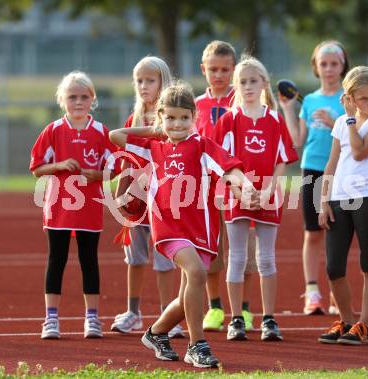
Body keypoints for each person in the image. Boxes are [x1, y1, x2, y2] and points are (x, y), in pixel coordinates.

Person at [109, 83, 259, 368]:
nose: (177, 124)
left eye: (184, 118)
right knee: (197, 272)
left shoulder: (201, 146)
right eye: (171, 118)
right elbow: (115, 135)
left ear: (194, 117)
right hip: (168, 228)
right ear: (161, 117)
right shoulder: (154, 148)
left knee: (185, 296)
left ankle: (156, 333)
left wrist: (247, 185)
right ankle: (196, 344)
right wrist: (154, 130)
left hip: (200, 231)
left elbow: (230, 169)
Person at [213, 56, 298, 341]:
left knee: (267, 259)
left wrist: (268, 190)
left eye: (254, 81)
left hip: (267, 195)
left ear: (264, 83)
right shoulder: (229, 119)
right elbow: (220, 162)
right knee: (236, 258)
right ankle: (236, 319)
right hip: (237, 195)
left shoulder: (274, 119)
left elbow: (282, 158)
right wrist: (239, 191)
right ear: (235, 86)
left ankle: (269, 320)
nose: (248, 86)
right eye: (243, 82)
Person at [30, 71, 117, 339]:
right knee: (56, 260)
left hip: (89, 208)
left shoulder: (102, 132)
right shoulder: (53, 131)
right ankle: (51, 319)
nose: (78, 102)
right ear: (62, 100)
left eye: (83, 97)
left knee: (89, 260)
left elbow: (112, 169)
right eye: (72, 97)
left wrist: (96, 175)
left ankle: (92, 318)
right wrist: (58, 166)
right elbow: (36, 168)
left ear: (93, 99)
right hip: (59, 209)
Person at [318, 66, 368, 345]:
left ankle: (365, 324)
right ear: (349, 97)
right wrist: (322, 201)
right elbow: (331, 164)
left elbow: (361, 152)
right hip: (338, 198)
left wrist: (352, 119)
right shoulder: (340, 123)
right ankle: (347, 320)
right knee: (333, 267)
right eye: (364, 98)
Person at [110, 56, 184, 339]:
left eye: (149, 80)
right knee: (135, 258)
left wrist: (141, 182)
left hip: (163, 200)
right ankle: (133, 312)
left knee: (164, 260)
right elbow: (127, 158)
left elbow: (169, 160)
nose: (143, 85)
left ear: (163, 82)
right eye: (139, 80)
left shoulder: (173, 119)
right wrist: (123, 189)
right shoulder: (134, 119)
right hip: (137, 202)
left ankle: (169, 315)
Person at [280, 40, 349, 315]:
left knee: (338, 232)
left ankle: (336, 292)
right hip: (311, 169)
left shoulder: (349, 99)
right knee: (312, 233)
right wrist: (287, 108)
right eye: (323, 64)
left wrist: (335, 124)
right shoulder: (309, 100)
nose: (329, 69)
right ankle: (312, 292)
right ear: (315, 67)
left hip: (341, 171)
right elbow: (297, 139)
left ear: (344, 66)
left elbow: (355, 139)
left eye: (334, 63)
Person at [196, 40, 257, 332]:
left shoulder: (244, 102)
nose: (219, 75)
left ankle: (243, 309)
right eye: (213, 69)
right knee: (211, 251)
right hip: (206, 188)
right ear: (203, 70)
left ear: (234, 71)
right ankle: (215, 307)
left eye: (225, 70)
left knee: (242, 252)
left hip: (238, 186)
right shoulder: (195, 106)